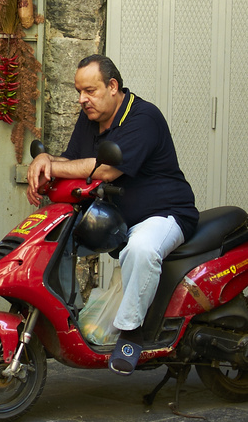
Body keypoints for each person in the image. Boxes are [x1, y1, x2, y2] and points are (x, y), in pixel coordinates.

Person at [27, 54, 198, 375]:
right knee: (56, 241)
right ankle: (63, 316)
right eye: (79, 91)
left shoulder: (143, 118)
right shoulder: (91, 118)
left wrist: (52, 164)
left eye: (89, 91)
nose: (82, 99)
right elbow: (73, 158)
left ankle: (131, 333)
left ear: (113, 86)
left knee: (142, 250)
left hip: (166, 215)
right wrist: (46, 158)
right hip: (118, 219)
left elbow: (105, 169)